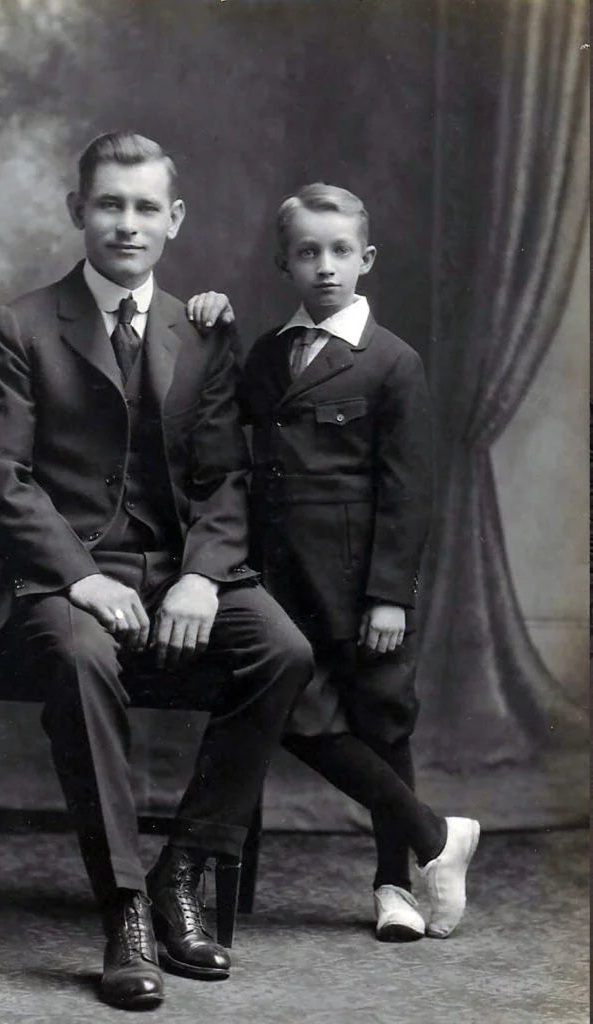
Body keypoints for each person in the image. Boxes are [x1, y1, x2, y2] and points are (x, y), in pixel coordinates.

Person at [0, 132, 313, 1010]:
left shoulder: (202, 329)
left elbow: (225, 475)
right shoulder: (21, 326)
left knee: (283, 650)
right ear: (78, 212)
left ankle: (182, 868)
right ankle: (125, 913)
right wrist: (81, 576)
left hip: (181, 566)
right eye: (109, 204)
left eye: (145, 206)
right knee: (82, 661)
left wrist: (202, 575)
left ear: (174, 220)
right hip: (60, 574)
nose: (126, 223)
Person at [186, 183, 479, 943]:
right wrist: (217, 330)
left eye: (340, 251)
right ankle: (436, 834)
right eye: (308, 252)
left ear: (367, 259)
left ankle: (394, 886)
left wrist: (390, 595)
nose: (325, 266)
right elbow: (224, 419)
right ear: (284, 263)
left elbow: (409, 491)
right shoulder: (270, 354)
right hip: (281, 579)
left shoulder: (392, 363)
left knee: (382, 719)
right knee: (295, 711)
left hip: (359, 583)